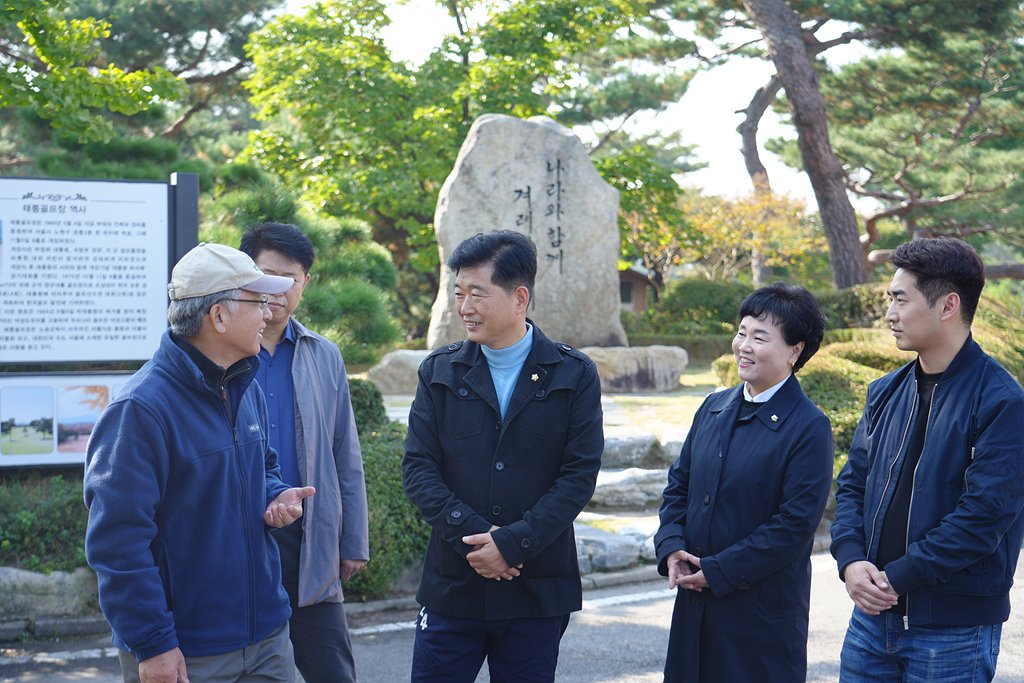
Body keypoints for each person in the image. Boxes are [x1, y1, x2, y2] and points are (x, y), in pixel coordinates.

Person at [84, 242, 316, 683]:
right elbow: (118, 542)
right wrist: (153, 643)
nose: (270, 312)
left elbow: (262, 467)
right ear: (219, 316)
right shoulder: (141, 409)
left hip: (267, 634)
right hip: (187, 650)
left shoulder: (243, 382)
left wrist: (274, 494)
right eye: (259, 301)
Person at [402, 230, 604, 683]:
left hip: (535, 589)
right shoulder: (440, 371)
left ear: (519, 298)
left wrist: (512, 545)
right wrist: (478, 538)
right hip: (455, 582)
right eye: (458, 294)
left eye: (478, 294)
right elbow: (418, 468)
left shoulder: (574, 374)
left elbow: (578, 477)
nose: (464, 308)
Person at [831, 238, 1024, 682]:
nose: (889, 314)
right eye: (889, 299)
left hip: (952, 630)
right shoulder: (884, 393)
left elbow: (983, 518)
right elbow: (853, 484)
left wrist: (897, 577)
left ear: (947, 305)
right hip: (870, 621)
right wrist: (849, 559)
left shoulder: (1001, 400)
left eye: (900, 299)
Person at [654, 282, 833, 683]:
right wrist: (671, 548)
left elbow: (794, 525)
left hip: (758, 621)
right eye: (741, 332)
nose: (743, 345)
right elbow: (678, 488)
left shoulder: (808, 427)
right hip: (693, 606)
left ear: (795, 351)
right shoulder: (714, 407)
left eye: (760, 337)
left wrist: (717, 571)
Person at [239, 222, 369, 683]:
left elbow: (344, 452)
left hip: (309, 534)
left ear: (305, 283)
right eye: (263, 275)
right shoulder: (223, 351)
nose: (275, 290)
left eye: (288, 278)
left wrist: (353, 539)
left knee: (330, 667)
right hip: (240, 530)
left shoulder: (323, 354)